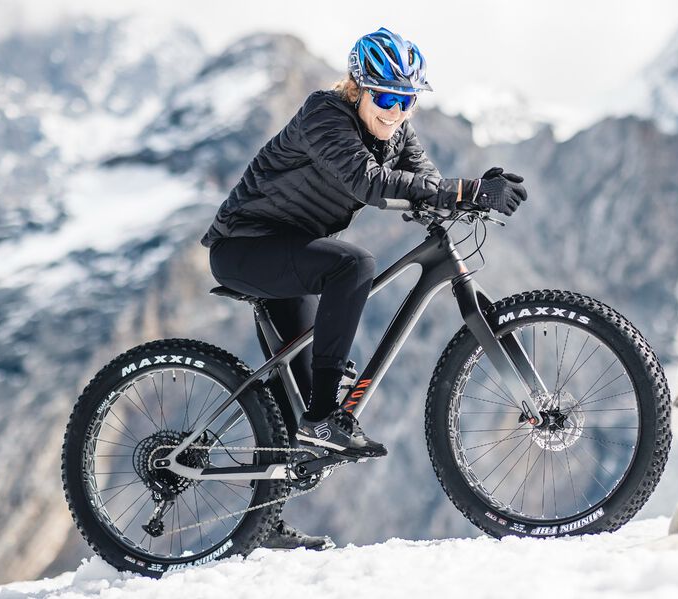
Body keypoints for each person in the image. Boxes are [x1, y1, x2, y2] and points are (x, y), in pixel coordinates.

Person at [200, 27, 527, 549]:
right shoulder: (324, 114)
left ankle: (263, 523)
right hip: (245, 246)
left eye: (408, 101)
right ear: (358, 87)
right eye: (387, 98)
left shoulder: (396, 132)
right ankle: (327, 421)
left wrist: (470, 193)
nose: (396, 112)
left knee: (300, 388)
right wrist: (462, 190)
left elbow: (423, 178)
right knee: (353, 267)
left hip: (289, 250)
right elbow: (369, 183)